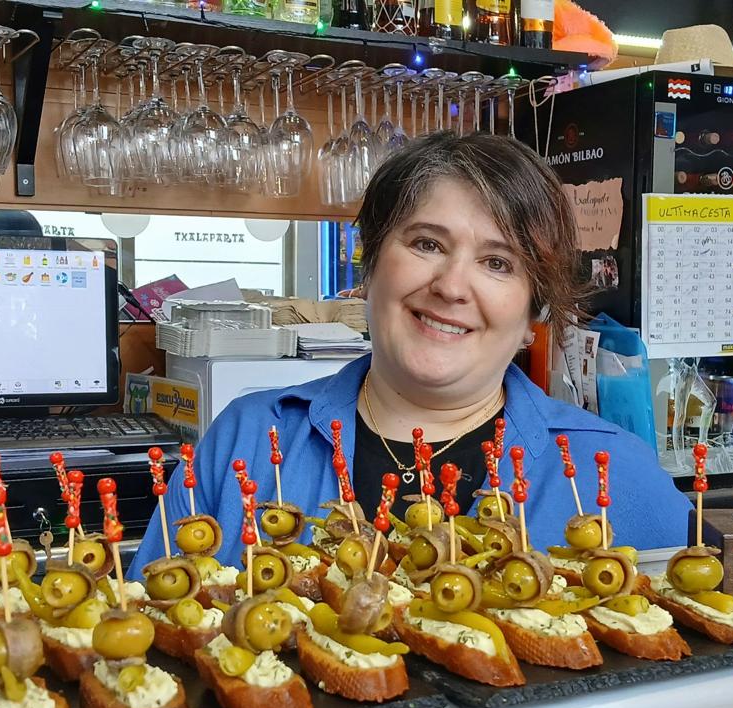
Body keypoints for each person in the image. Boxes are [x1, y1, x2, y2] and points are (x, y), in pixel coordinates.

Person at [131, 132, 691, 577]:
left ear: (531, 317)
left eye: (498, 263)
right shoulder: (245, 444)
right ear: (369, 267)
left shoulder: (616, 477)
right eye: (427, 244)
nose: (451, 286)